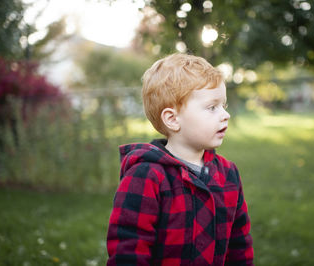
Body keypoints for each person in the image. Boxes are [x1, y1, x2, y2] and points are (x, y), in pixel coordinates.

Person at [106, 53, 254, 265]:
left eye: (224, 105)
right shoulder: (146, 176)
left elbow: (240, 246)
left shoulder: (228, 174)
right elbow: (128, 250)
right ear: (173, 119)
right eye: (212, 107)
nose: (225, 115)